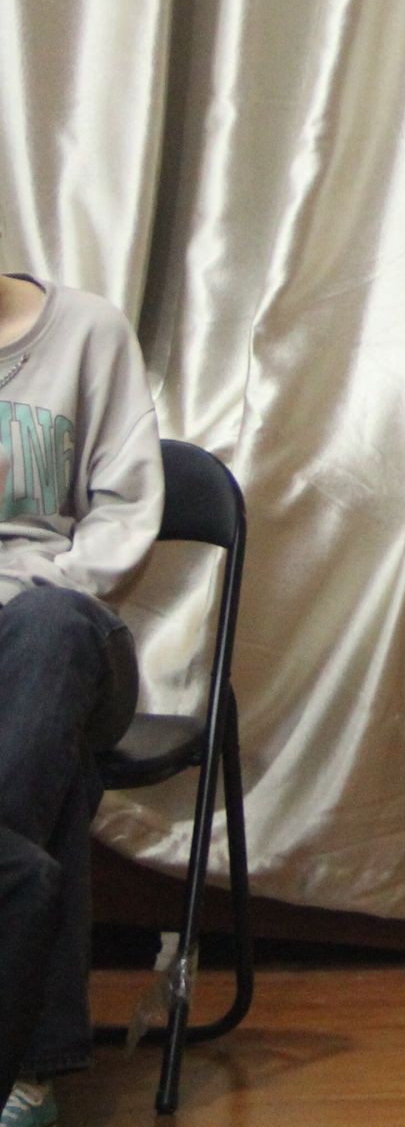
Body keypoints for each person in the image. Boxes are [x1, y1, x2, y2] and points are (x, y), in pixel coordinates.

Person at [0, 271, 163, 1127]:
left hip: (65, 638)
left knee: (48, 632)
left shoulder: (87, 333)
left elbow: (127, 515)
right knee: (50, 770)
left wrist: (37, 585)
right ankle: (30, 1065)